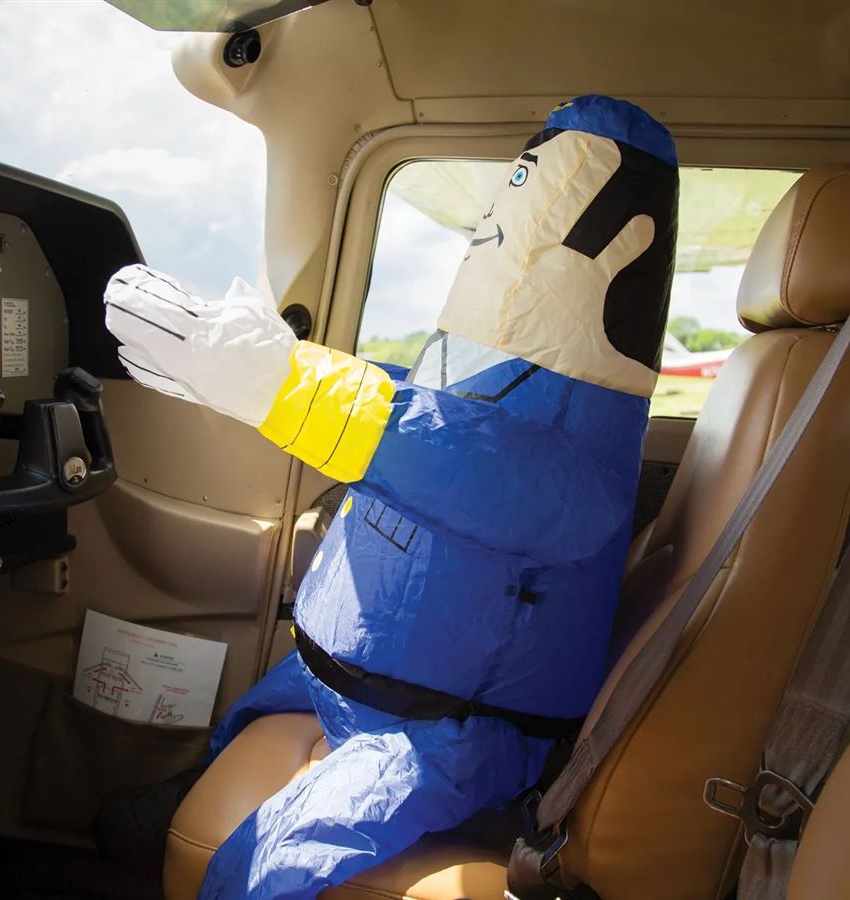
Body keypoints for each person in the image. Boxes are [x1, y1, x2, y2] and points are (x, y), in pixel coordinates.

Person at [104, 95, 679, 899]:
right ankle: (192, 786)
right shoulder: (474, 360)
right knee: (254, 705)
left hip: (449, 730)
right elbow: (425, 402)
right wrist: (249, 371)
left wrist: (280, 383)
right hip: (337, 675)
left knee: (279, 855)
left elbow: (472, 462)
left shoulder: (573, 450)